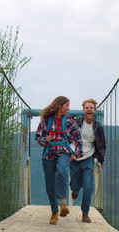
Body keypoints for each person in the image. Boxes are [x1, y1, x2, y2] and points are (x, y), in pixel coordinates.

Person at [35, 96, 83, 225]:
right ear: (60, 106)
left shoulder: (70, 121)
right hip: (48, 153)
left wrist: (78, 152)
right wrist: (46, 140)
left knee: (62, 170)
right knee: (49, 185)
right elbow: (38, 137)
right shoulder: (46, 120)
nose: (69, 108)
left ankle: (63, 201)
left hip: (64, 151)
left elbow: (78, 138)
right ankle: (54, 212)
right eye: (67, 105)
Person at [69, 98, 106, 223]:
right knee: (74, 184)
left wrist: (100, 161)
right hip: (74, 158)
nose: (89, 109)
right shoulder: (76, 122)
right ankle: (74, 190)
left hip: (88, 159)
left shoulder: (98, 127)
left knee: (88, 186)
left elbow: (102, 145)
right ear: (83, 110)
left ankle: (85, 213)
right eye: (87, 107)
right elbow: (66, 136)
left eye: (91, 108)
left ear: (94, 111)